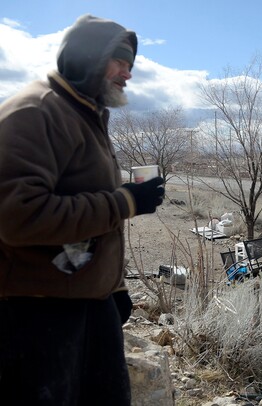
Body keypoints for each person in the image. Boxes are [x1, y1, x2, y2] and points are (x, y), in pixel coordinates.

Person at [0, 15, 165, 405]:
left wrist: (114, 288)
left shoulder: (85, 115)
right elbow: (17, 215)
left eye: (131, 64)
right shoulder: (36, 111)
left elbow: (87, 214)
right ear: (85, 58)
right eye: (120, 60)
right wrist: (124, 202)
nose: (128, 72)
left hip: (86, 304)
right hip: (36, 314)